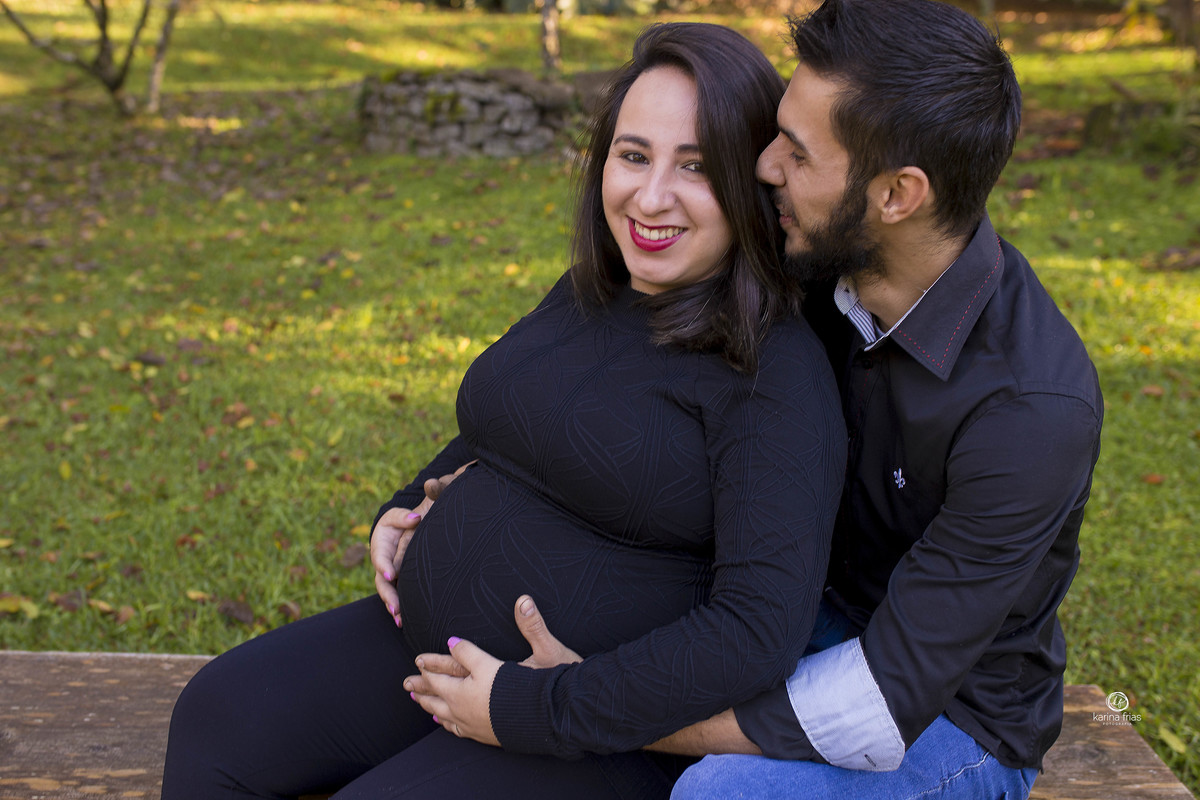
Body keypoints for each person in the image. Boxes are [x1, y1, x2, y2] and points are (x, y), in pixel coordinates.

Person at [406, 1, 1103, 798]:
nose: (764, 166)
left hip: (945, 711)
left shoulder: (1031, 412)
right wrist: (476, 478)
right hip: (794, 609)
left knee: (721, 793)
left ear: (896, 195)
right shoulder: (819, 257)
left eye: (797, 153)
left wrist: (563, 704)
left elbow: (879, 702)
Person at [161, 22, 846, 800]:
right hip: (438, 657)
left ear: (751, 181)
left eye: (696, 166)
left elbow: (758, 632)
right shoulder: (594, 291)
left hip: (597, 727)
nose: (651, 196)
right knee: (219, 716)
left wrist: (530, 704)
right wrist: (402, 510)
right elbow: (502, 427)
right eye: (633, 155)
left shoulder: (772, 371)